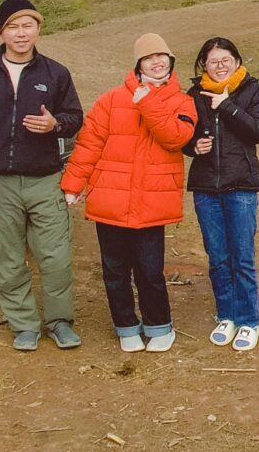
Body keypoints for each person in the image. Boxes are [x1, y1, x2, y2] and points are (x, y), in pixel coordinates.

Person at [0, 0, 85, 351]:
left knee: (55, 258)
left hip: (45, 181)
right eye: (13, 27)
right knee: (8, 259)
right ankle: (23, 324)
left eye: (28, 26)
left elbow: (75, 117)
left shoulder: (55, 73)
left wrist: (56, 124)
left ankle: (59, 322)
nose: (21, 34)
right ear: (1, 32)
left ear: (38, 29)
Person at [62, 33, 198, 353]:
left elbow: (175, 137)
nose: (156, 62)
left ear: (170, 61)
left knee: (150, 271)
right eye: (148, 58)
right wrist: (73, 184)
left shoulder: (183, 102)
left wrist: (147, 101)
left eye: (161, 56)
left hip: (152, 202)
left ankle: (159, 325)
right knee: (115, 271)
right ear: (138, 65)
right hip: (110, 200)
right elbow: (89, 145)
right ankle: (125, 326)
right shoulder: (110, 100)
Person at [186, 36, 259, 352]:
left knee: (242, 256)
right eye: (213, 62)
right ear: (204, 65)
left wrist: (226, 105)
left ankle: (248, 320)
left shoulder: (253, 91)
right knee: (218, 256)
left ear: (236, 61)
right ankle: (226, 315)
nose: (220, 66)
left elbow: (258, 130)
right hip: (205, 187)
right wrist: (193, 146)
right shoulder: (194, 95)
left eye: (226, 60)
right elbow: (182, 133)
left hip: (241, 186)